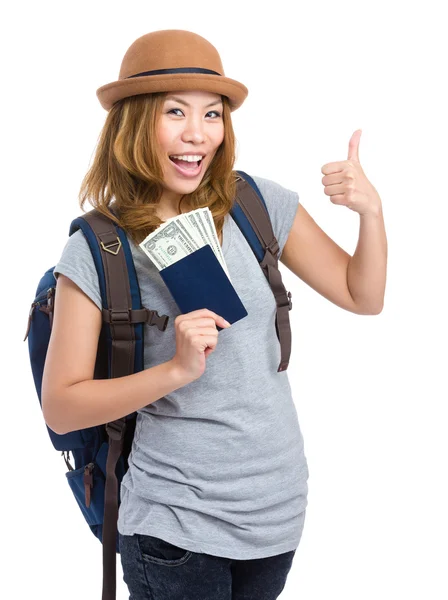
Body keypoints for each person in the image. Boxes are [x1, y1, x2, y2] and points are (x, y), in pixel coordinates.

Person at [42, 29, 387, 600]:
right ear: (132, 124)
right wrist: (174, 370)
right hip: (177, 527)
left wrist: (370, 212)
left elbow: (362, 295)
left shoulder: (257, 203)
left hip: (276, 514)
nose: (197, 134)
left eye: (213, 114)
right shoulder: (99, 247)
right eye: (174, 112)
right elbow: (61, 403)